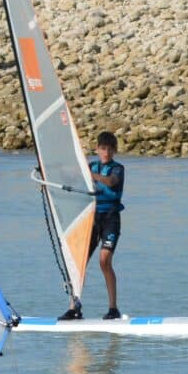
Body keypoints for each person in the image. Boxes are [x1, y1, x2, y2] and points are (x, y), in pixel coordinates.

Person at [61, 131, 125, 321]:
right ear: (97, 149)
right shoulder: (91, 166)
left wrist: (91, 175)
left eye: (110, 149)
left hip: (111, 219)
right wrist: (49, 175)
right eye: (103, 149)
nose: (106, 153)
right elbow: (72, 180)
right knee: (77, 263)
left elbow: (111, 182)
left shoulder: (118, 168)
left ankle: (113, 308)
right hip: (91, 218)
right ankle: (74, 308)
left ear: (114, 151)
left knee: (104, 261)